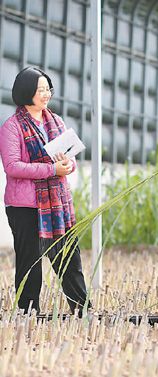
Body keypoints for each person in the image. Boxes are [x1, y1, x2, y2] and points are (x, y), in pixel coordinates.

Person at [0, 67, 90, 315]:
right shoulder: (12, 126)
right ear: (25, 92)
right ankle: (27, 314)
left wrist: (67, 165)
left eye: (48, 88)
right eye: (40, 89)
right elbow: (12, 166)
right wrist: (52, 170)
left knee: (70, 259)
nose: (46, 94)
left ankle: (83, 311)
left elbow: (70, 161)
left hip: (56, 204)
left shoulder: (56, 121)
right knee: (30, 263)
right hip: (25, 207)